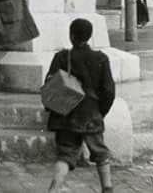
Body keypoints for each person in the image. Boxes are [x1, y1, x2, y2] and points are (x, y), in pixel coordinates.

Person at [44, 18, 115, 193]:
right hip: (91, 114)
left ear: (71, 36)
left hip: (65, 114)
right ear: (90, 36)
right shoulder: (101, 58)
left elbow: (50, 85)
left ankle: (54, 190)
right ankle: (107, 188)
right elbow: (108, 91)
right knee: (100, 153)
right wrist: (100, 112)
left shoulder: (61, 57)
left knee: (65, 155)